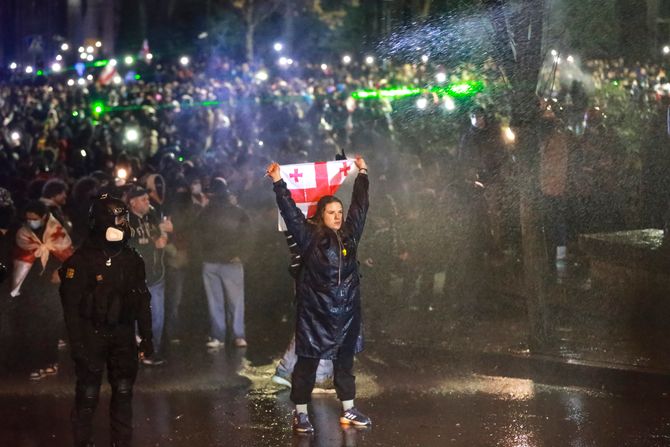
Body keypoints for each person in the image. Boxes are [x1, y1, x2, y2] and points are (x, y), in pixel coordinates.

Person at [266, 157, 372, 434]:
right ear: (320, 215)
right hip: (316, 315)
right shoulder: (309, 238)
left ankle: (348, 408)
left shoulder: (350, 235)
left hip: (347, 316)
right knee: (307, 366)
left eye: (340, 211)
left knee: (345, 366)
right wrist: (278, 182)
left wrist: (362, 173)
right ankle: (300, 413)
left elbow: (360, 207)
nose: (338, 216)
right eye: (331, 212)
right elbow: (289, 211)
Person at [59, 194, 153, 447]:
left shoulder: (131, 258)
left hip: (122, 334)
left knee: (123, 391)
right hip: (91, 335)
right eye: (119, 219)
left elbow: (143, 299)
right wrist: (77, 345)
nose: (124, 224)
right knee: (88, 394)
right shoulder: (80, 262)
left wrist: (147, 337)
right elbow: (71, 309)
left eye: (125, 218)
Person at [194, 177, 250, 349]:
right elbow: (248, 236)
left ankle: (219, 336)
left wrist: (201, 256)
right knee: (236, 302)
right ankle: (237, 335)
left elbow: (196, 236)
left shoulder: (205, 212)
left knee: (215, 302)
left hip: (211, 262)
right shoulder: (238, 211)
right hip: (231, 262)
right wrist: (242, 255)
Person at [126, 185, 168, 365]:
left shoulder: (151, 218)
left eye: (147, 199)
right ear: (132, 203)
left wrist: (164, 233)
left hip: (155, 275)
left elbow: (161, 240)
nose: (147, 202)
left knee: (157, 316)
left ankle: (151, 350)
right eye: (143, 200)